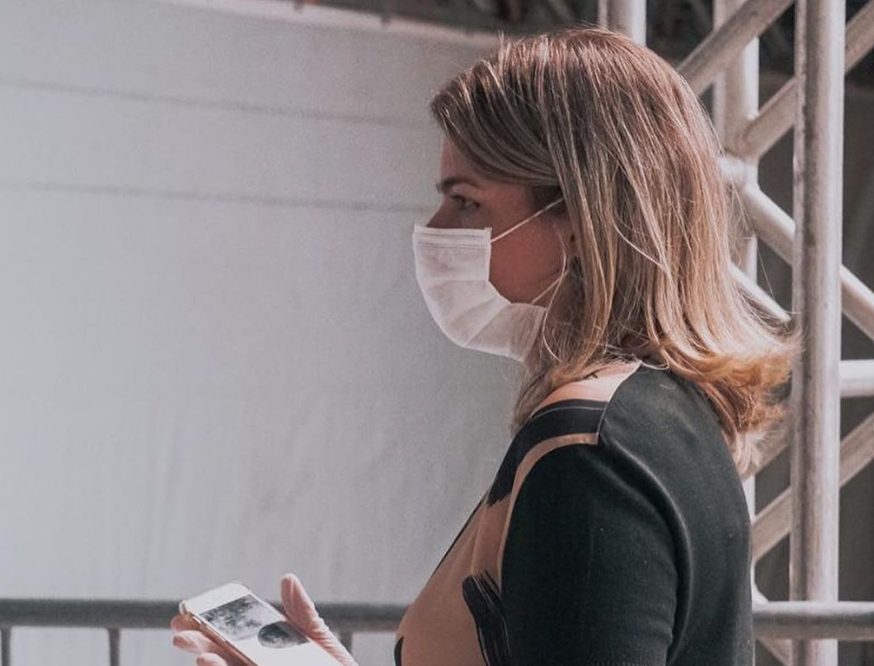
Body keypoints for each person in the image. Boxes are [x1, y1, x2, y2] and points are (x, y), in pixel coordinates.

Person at [171, 25, 799, 666]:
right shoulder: (663, 414)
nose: (434, 229)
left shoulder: (588, 448)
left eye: (467, 203)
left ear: (580, 224)